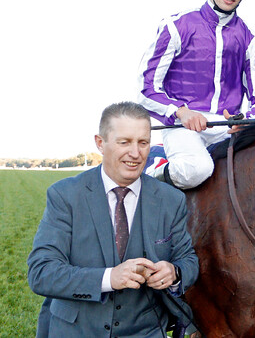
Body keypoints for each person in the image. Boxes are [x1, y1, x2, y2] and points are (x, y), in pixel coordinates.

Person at [28, 102, 199, 337]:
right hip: (75, 331)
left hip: (146, 331)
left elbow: (188, 260)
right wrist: (109, 278)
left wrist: (174, 273)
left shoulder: (172, 200)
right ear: (100, 143)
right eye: (124, 142)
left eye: (143, 142)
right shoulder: (65, 196)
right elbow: (42, 273)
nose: (136, 153)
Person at [138, 0, 255, 189]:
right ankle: (154, 171)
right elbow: (146, 89)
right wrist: (181, 112)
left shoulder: (250, 40)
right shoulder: (176, 26)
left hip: (225, 128)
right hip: (182, 126)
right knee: (197, 169)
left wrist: (246, 119)